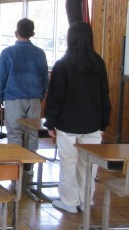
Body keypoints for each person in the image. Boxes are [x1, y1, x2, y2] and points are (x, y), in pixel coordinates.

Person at [44, 22, 111, 214]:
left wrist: (51, 122)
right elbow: (104, 95)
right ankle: (85, 200)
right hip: (93, 123)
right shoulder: (98, 63)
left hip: (68, 123)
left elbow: (55, 97)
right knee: (88, 165)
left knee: (68, 163)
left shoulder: (63, 64)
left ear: (70, 38)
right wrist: (104, 122)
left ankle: (69, 201)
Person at [0, 18, 49, 154]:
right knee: (32, 133)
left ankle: (17, 163)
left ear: (16, 32)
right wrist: (41, 95)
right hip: (35, 99)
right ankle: (30, 164)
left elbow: (1, 79)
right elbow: (45, 78)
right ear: (33, 34)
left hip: (13, 100)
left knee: (14, 133)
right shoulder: (40, 53)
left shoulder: (7, 53)